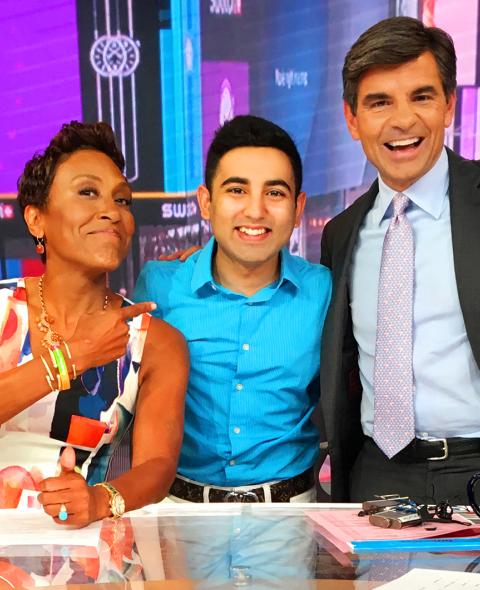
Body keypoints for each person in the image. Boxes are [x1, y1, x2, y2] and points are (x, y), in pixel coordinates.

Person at [320, 16, 480, 504]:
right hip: (376, 478)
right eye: (379, 102)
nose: (402, 120)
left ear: (449, 104)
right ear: (352, 119)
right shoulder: (341, 232)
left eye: (422, 96)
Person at [134, 115, 332, 502]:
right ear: (206, 202)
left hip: (290, 515)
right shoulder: (160, 285)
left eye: (274, 193)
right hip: (178, 511)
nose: (255, 211)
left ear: (298, 207)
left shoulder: (323, 289)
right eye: (237, 191)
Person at [0, 121, 188, 526]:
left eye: (123, 200)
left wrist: (101, 500)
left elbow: (157, 465)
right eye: (88, 192)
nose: (112, 212)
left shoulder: (155, 342)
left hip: (83, 554)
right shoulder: (3, 310)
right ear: (36, 219)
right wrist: (73, 358)